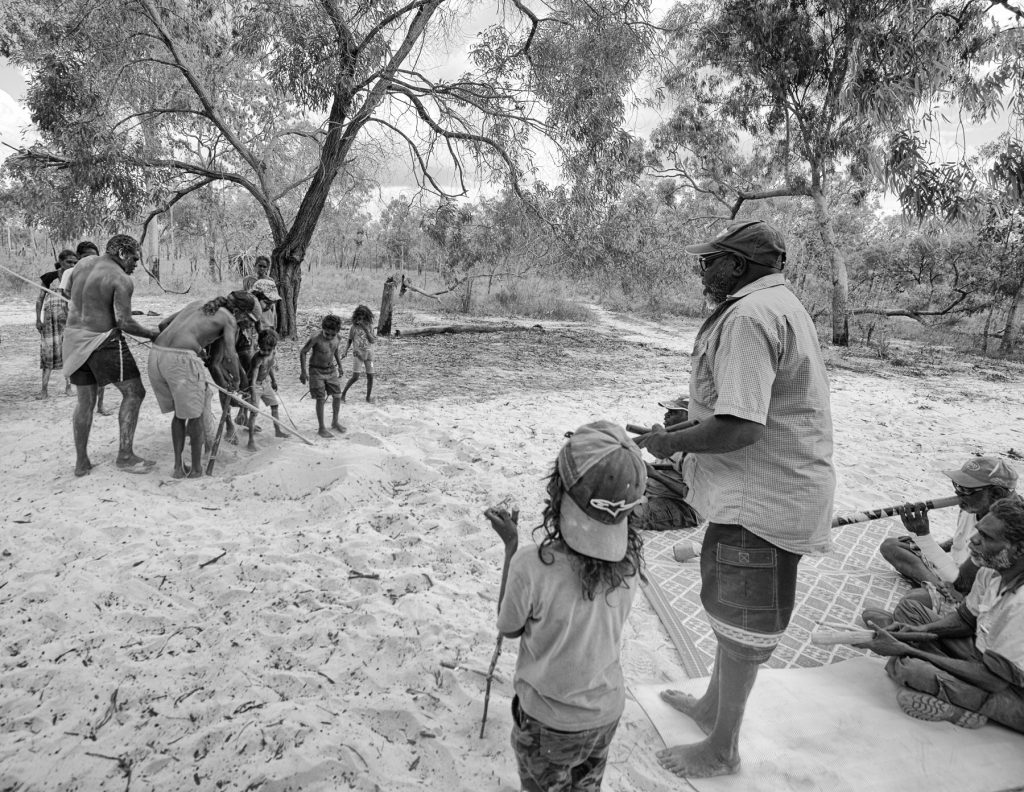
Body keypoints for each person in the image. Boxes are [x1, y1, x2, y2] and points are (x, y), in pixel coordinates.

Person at [635, 219, 835, 778]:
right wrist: (682, 430)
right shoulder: (776, 304)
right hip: (762, 490)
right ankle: (710, 709)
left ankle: (724, 748)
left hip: (762, 496)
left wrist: (668, 442)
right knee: (730, 609)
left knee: (744, 619)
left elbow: (742, 426)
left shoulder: (750, 316)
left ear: (738, 265)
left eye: (710, 261)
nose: (702, 271)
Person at [486, 420, 648, 792]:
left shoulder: (531, 565)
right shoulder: (630, 564)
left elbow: (508, 627)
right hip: (605, 713)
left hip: (547, 722)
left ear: (557, 491)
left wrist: (511, 548)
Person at [857, 496, 1024, 734]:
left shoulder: (1020, 604)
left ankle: (960, 708)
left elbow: (994, 680)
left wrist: (908, 649)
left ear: (1018, 549)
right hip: (985, 657)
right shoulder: (991, 571)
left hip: (1011, 690)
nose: (973, 541)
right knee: (910, 612)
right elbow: (967, 619)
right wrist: (921, 631)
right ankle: (922, 651)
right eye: (978, 532)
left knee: (908, 668)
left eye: (986, 538)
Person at [62, 234, 160, 477]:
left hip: (73, 340)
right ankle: (125, 455)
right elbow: (124, 322)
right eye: (135, 259)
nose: (136, 265)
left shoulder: (82, 264)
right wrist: (151, 333)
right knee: (135, 392)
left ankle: (82, 462)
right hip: (103, 341)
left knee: (85, 401)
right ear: (122, 254)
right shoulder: (121, 278)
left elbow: (76, 297)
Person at [879, 456, 1017, 613]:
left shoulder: (1010, 526)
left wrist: (924, 538)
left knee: (913, 600)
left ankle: (944, 596)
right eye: (957, 485)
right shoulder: (973, 505)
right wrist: (935, 546)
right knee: (891, 546)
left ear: (996, 493)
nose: (957, 493)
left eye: (966, 489)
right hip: (954, 572)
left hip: (971, 587)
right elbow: (962, 538)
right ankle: (941, 590)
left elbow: (964, 582)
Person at [149, 291, 255, 478]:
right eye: (245, 316)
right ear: (238, 311)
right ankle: (197, 469)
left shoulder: (199, 302)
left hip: (156, 354)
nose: (244, 321)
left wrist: (197, 347)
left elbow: (163, 324)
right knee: (196, 415)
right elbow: (231, 355)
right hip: (180, 359)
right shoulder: (229, 318)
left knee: (180, 415)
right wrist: (237, 380)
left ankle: (178, 467)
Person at [35, 250, 77, 399]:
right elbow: (40, 299)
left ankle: (68, 387)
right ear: (60, 261)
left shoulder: (75, 277)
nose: (72, 265)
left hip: (68, 320)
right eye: (69, 262)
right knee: (47, 353)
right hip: (49, 322)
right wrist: (38, 319)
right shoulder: (49, 277)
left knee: (68, 353)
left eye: (74, 262)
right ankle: (44, 390)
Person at [299, 314, 345, 438]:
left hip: (331, 370)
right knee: (320, 398)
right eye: (327, 334)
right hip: (316, 371)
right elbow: (303, 352)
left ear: (337, 332)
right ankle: (321, 428)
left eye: (332, 334)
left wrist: (340, 366)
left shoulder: (338, 338)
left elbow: (335, 351)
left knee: (337, 395)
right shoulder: (315, 338)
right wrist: (303, 372)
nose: (330, 337)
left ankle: (335, 422)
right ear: (322, 329)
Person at [244, 327, 288, 449]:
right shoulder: (257, 359)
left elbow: (269, 368)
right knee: (254, 412)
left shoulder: (272, 354)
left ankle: (277, 430)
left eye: (269, 350)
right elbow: (253, 377)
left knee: (275, 405)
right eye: (263, 349)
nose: (265, 352)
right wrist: (252, 390)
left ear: (274, 348)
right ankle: (251, 440)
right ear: (259, 346)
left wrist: (273, 381)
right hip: (255, 385)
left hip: (265, 383)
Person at [341, 304, 376, 403]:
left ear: (367, 318)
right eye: (359, 318)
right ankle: (343, 395)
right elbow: (349, 340)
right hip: (358, 355)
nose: (361, 321)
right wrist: (345, 351)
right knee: (355, 376)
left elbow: (372, 340)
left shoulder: (369, 327)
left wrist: (366, 330)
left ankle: (368, 398)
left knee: (371, 376)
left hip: (369, 355)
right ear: (356, 317)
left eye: (363, 318)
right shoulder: (354, 327)